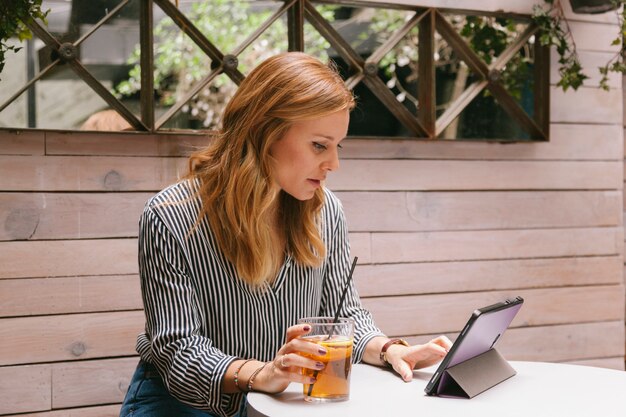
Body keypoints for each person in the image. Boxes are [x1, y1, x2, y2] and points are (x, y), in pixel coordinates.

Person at [119, 52, 452, 417]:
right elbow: (177, 348)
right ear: (266, 134)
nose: (333, 164)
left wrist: (391, 350)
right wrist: (264, 373)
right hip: (180, 405)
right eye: (319, 145)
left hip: (281, 402)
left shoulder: (327, 212)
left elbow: (343, 315)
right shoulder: (171, 217)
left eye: (336, 146)